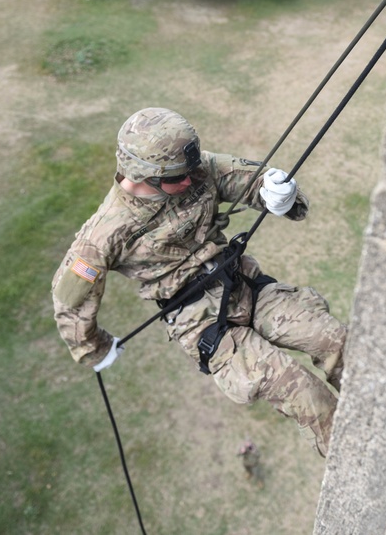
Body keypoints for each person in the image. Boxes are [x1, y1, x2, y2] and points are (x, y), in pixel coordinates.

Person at [51, 107, 346, 456]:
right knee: (306, 397)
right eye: (178, 178)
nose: (191, 181)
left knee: (335, 340)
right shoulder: (105, 233)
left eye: (191, 171)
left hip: (243, 285)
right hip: (201, 323)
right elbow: (69, 298)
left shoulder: (196, 170)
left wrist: (281, 197)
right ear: (143, 175)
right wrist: (94, 348)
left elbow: (253, 182)